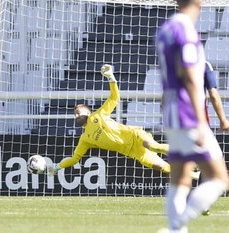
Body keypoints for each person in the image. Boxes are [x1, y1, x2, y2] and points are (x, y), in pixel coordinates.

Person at [156, 0, 229, 232]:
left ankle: (175, 229)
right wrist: (200, 121)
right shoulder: (185, 30)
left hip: (171, 113)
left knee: (179, 179)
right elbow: (188, 76)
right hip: (188, 115)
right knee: (220, 179)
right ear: (199, 2)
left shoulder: (165, 29)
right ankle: (175, 225)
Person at [48, 64, 187, 178]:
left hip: (135, 135)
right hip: (132, 151)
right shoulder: (85, 139)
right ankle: (194, 175)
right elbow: (74, 159)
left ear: (88, 112)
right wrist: (56, 167)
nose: (76, 116)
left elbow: (114, 98)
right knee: (162, 167)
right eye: (75, 115)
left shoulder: (99, 115)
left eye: (78, 112)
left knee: (152, 146)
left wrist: (110, 77)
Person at [199, 61, 229, 216]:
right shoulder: (203, 65)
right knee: (218, 168)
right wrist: (223, 120)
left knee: (182, 169)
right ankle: (201, 203)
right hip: (198, 124)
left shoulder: (173, 63)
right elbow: (213, 94)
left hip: (177, 124)